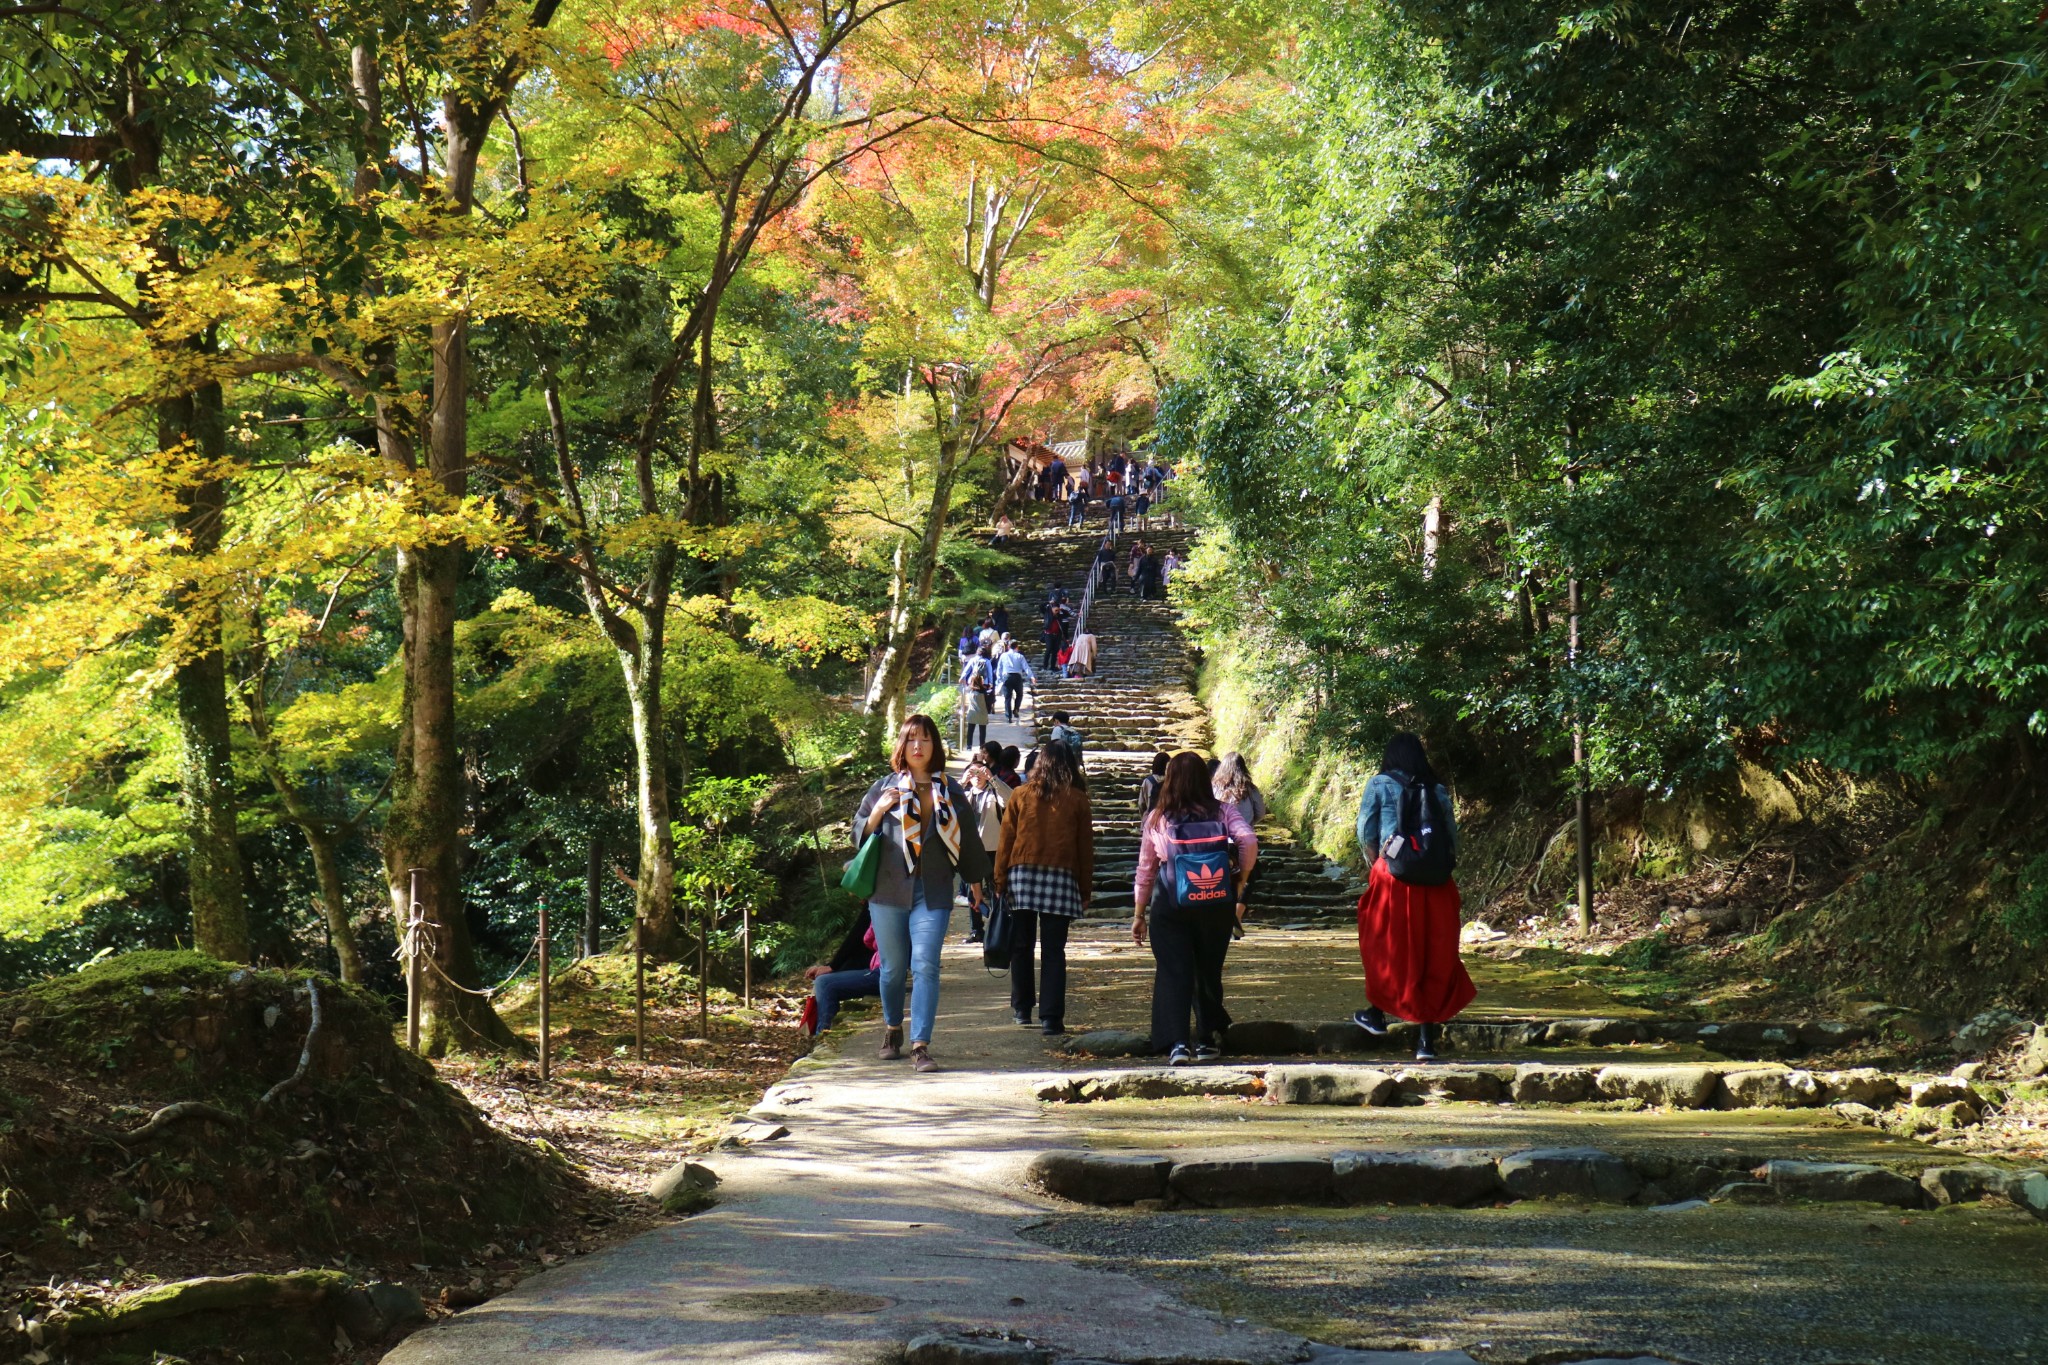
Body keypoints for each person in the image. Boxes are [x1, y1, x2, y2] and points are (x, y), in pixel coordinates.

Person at [852, 715, 992, 1072]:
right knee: (893, 970)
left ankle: (920, 1044)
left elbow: (967, 841)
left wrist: (975, 882)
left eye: (926, 740)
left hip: (933, 891)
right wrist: (880, 810)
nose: (918, 746)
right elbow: (857, 834)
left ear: (935, 747)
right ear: (902, 745)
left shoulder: (949, 789)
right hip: (887, 891)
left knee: (926, 964)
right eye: (912, 739)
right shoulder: (885, 786)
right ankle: (892, 1028)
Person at [1353, 732, 1472, 1061]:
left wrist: (1378, 862)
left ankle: (1376, 1014)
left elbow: (1365, 830)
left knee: (1385, 946)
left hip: (1394, 879)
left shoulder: (1379, 784)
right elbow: (1450, 837)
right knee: (1430, 954)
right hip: (1436, 884)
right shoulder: (1436, 789)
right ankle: (1425, 1043)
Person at [1133, 751, 1257, 1065]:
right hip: (1216, 901)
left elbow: (1146, 868)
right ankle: (1207, 1039)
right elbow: (1249, 840)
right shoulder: (1224, 811)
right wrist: (1240, 880)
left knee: (1174, 970)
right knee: (1208, 968)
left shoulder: (1158, 818)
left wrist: (1138, 913)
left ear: (1170, 780)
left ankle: (1176, 1044)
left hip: (1170, 900)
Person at [996, 742, 1094, 1036]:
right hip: (1062, 876)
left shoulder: (1020, 795)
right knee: (1054, 950)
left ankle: (1022, 1009)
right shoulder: (1078, 799)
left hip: (1022, 874)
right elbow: (1085, 849)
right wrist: (1084, 889)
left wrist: (1000, 879)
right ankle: (1051, 1018)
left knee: (1021, 945)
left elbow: (1006, 840)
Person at [803, 908, 881, 1035]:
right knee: (823, 981)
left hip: (881, 974)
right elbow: (858, 950)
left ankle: (823, 1034)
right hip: (877, 970)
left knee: (824, 984)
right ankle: (823, 1033)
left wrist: (833, 967)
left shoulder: (877, 907)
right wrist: (832, 967)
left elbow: (859, 939)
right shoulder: (876, 906)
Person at [961, 754, 1010, 943]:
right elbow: (944, 804)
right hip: (969, 850)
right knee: (972, 890)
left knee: (996, 888)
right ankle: (976, 929)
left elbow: (1011, 799)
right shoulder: (963, 794)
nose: (977, 776)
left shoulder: (994, 792)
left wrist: (993, 778)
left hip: (993, 848)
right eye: (972, 772)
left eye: (980, 772)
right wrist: (962, 781)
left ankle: (998, 926)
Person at [995, 639, 1037, 723]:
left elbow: (999, 668)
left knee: (1007, 698)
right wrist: (1032, 676)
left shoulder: (1003, 655)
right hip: (1017, 677)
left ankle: (1008, 717)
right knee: (1020, 694)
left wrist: (999, 679)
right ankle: (1016, 709)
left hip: (1006, 677)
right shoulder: (1020, 656)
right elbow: (1026, 667)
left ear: (1008, 647)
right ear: (1017, 647)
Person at [1136, 750, 1169, 827]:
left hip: (1150, 820)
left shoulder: (1148, 781)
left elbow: (1141, 803)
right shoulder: (1171, 781)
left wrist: (1144, 816)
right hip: (1167, 820)